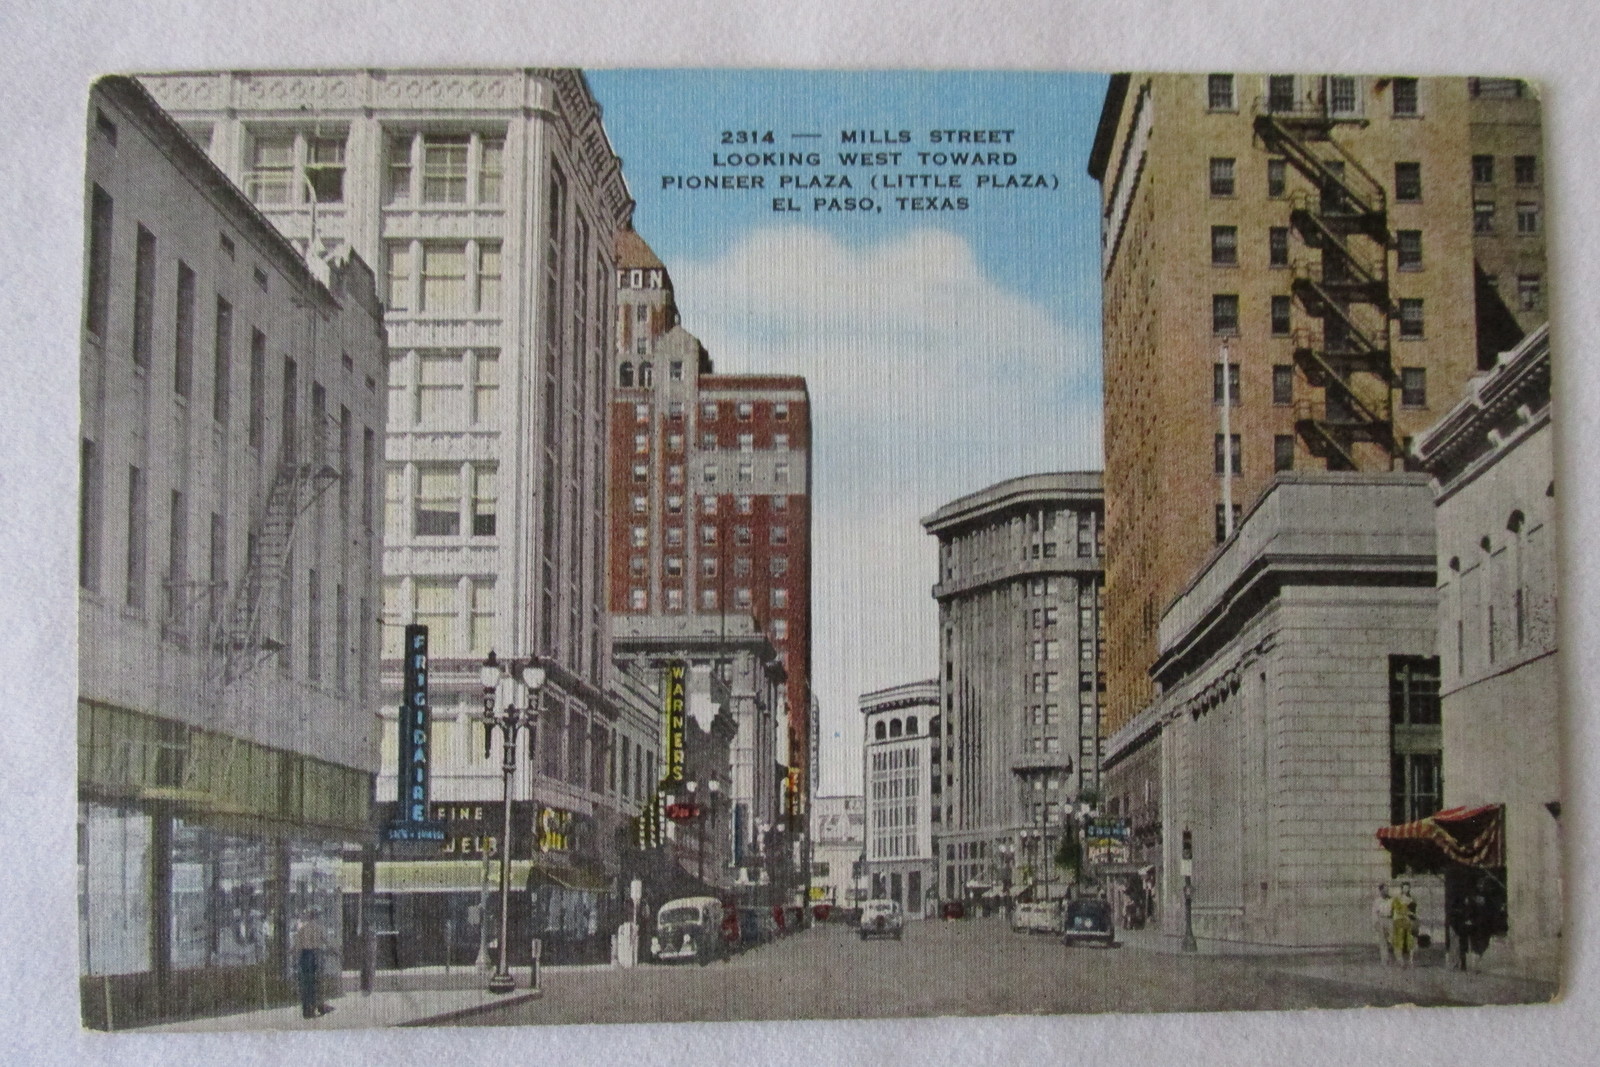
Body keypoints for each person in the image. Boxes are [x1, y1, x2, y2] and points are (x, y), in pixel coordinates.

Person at [292, 911, 334, 1018]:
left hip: (305, 956)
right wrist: (335, 952)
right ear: (317, 917)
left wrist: (294, 958)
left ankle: (307, 1009)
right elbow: (328, 942)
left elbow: (296, 946)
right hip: (316, 955)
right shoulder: (319, 928)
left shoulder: (302, 929)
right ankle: (320, 1005)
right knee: (318, 982)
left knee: (306, 983)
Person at [1390, 882, 1418, 968]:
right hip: (1399, 922)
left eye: (1408, 888)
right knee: (1399, 941)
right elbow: (1396, 910)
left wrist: (1414, 916)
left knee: (1411, 941)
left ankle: (1411, 961)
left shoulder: (1412, 899)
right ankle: (1401, 961)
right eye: (1404, 888)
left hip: (1409, 922)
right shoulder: (1397, 899)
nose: (1406, 889)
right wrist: (1407, 913)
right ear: (1402, 888)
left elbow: (1415, 911)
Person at [1372, 884, 1393, 965]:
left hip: (1390, 920)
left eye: (1387, 890)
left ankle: (1390, 958)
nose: (1386, 891)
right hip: (1381, 920)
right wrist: (1376, 923)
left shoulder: (1391, 900)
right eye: (1384, 890)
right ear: (1381, 891)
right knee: (1383, 941)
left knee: (1391, 940)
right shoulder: (1377, 901)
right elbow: (1374, 913)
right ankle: (1384, 960)